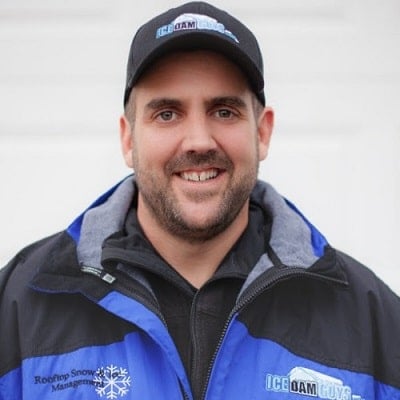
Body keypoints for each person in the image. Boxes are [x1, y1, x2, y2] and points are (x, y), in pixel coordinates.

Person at [0, 2, 399, 399]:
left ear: (262, 133)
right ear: (128, 139)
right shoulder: (20, 307)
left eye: (224, 112)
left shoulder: (373, 324)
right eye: (167, 114)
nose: (198, 141)